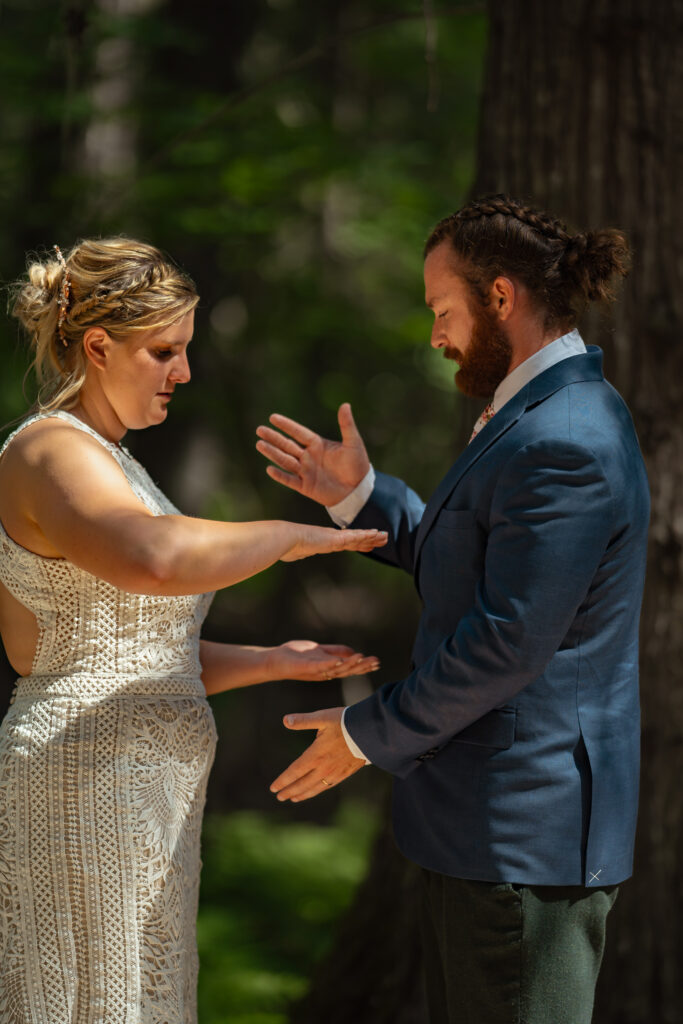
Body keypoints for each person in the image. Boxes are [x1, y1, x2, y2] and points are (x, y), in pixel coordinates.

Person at [255, 194, 650, 1024]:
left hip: (522, 837)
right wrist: (358, 495)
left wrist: (364, 735)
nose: (435, 335)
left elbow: (507, 640)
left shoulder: (565, 437)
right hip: (485, 830)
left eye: (442, 310)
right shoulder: (537, 415)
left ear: (499, 297)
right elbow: (474, 558)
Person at [0, 237, 387, 1023]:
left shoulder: (116, 463)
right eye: (164, 352)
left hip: (152, 799)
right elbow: (152, 561)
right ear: (98, 345)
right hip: (87, 780)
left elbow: (125, 650)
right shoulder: (49, 449)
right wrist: (285, 535)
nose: (183, 372)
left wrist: (273, 660)